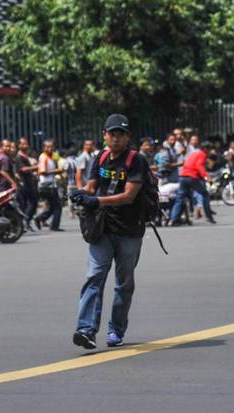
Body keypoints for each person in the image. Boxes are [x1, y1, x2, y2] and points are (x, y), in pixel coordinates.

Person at [70, 113, 150, 349]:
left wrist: (97, 201)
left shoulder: (137, 161)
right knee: (94, 277)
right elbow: (92, 186)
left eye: (120, 134)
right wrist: (81, 193)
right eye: (112, 134)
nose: (115, 139)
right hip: (102, 229)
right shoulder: (101, 157)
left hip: (129, 230)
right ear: (104, 136)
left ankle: (116, 329)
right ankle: (86, 330)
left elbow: (128, 196)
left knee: (123, 283)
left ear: (128, 137)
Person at [168, 141, 216, 226]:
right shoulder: (202, 154)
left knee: (179, 199)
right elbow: (199, 166)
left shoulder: (193, 153)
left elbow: (187, 163)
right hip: (191, 177)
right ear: (205, 149)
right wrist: (207, 177)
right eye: (209, 149)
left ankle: (172, 220)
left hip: (183, 177)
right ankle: (209, 216)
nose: (209, 152)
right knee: (205, 194)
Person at [35, 139, 64, 231]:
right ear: (44, 148)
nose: (50, 148)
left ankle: (40, 218)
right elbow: (43, 171)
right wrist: (57, 171)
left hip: (50, 184)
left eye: (51, 146)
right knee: (58, 206)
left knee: (53, 206)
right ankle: (54, 226)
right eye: (47, 147)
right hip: (47, 185)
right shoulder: (44, 157)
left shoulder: (51, 157)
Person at [16, 137, 38, 231]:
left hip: (28, 182)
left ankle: (25, 222)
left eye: (26, 144)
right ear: (19, 145)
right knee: (32, 202)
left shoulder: (25, 156)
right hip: (24, 183)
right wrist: (36, 167)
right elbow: (23, 169)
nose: (25, 146)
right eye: (23, 144)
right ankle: (25, 221)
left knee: (28, 203)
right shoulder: (19, 157)